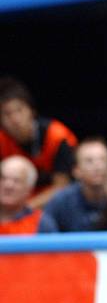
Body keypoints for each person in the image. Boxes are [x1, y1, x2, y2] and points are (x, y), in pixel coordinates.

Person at [0, 77, 77, 208]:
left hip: (54, 206)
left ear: (31, 111)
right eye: (7, 114)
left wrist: (25, 210)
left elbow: (62, 187)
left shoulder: (57, 136)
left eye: (19, 110)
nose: (15, 119)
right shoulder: (2, 140)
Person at [44, 136, 107, 231]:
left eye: (103, 159)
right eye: (89, 161)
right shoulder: (60, 202)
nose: (98, 166)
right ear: (76, 170)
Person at [0, 156, 58, 234]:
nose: (8, 185)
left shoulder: (42, 224)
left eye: (16, 181)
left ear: (29, 189)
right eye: (3, 178)